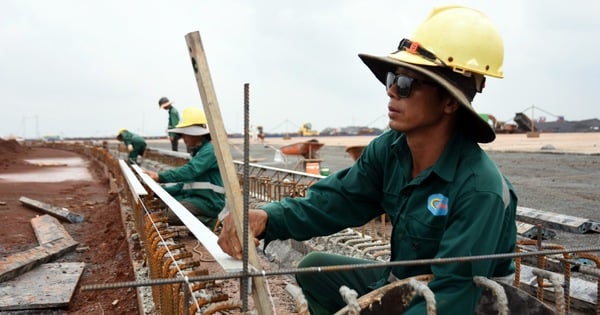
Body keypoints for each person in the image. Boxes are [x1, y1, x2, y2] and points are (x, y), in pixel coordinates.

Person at [218, 5, 517, 315]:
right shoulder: (391, 150)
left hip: (463, 304)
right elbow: (336, 200)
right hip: (406, 282)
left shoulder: (480, 189)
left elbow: (451, 297)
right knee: (315, 269)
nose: (391, 91)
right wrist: (267, 217)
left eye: (406, 84)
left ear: (450, 102)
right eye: (392, 78)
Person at [144, 107, 225, 229]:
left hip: (209, 202)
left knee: (169, 215)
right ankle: (201, 222)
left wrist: (160, 177)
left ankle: (210, 222)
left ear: (197, 135)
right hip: (196, 197)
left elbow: (190, 171)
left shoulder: (210, 151)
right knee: (160, 204)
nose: (183, 138)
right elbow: (185, 185)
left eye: (185, 134)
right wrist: (159, 192)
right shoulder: (199, 152)